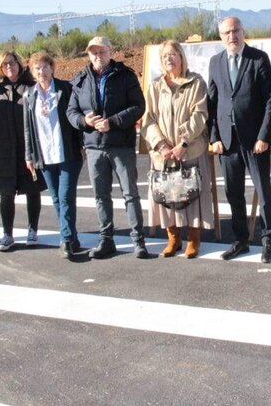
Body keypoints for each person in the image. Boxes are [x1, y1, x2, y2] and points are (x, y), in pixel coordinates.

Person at [67, 37, 149, 260]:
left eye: (102, 52)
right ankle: (106, 240)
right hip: (94, 147)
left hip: (120, 144)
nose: (98, 56)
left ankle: (138, 241)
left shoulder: (125, 75)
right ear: (88, 54)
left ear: (110, 52)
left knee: (130, 194)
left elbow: (138, 107)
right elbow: (71, 112)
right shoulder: (80, 80)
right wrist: (85, 121)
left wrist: (112, 121)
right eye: (93, 52)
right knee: (101, 196)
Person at [208, 16, 271, 263]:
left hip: (254, 141)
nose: (232, 36)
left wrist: (264, 136)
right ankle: (240, 241)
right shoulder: (215, 62)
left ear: (243, 32)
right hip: (227, 141)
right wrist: (214, 137)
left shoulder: (258, 58)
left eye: (236, 31)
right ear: (220, 36)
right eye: (227, 32)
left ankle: (268, 240)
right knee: (233, 193)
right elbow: (212, 103)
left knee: (264, 193)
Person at [141, 40, 214, 259]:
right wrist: (161, 146)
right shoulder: (155, 86)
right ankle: (173, 238)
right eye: (164, 56)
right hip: (163, 154)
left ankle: (193, 239)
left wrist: (183, 143)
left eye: (173, 54)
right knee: (167, 195)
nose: (169, 59)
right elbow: (148, 119)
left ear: (181, 57)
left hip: (190, 150)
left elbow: (200, 115)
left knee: (192, 194)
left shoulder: (196, 82)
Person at [23, 52, 84, 260]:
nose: (42, 71)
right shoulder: (29, 95)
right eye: (37, 68)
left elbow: (76, 119)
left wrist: (82, 145)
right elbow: (28, 129)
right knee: (57, 198)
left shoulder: (65, 89)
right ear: (33, 72)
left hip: (67, 152)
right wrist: (29, 155)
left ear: (52, 68)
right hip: (45, 156)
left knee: (66, 196)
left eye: (45, 67)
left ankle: (65, 239)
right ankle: (73, 237)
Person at [0, 51, 46, 252]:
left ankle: (33, 230)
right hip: (5, 151)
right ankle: (7, 234)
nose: (9, 67)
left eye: (12, 63)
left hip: (28, 149)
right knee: (6, 194)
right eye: (4, 64)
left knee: (32, 190)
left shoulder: (32, 88)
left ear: (19, 64)